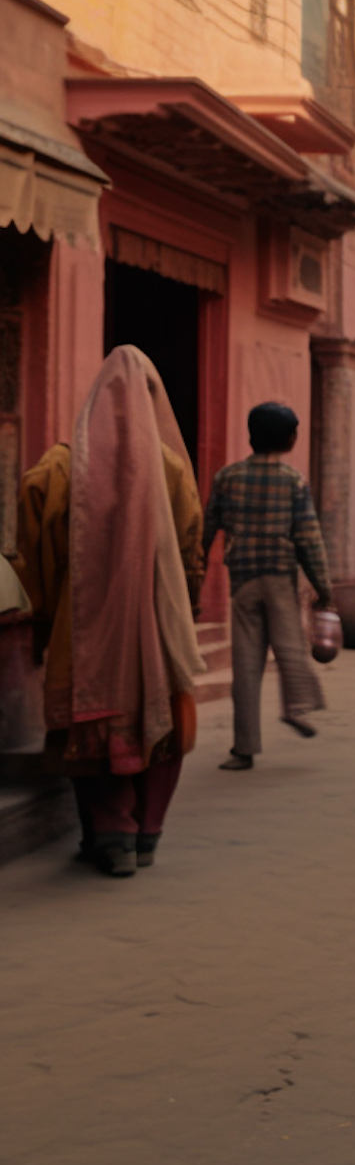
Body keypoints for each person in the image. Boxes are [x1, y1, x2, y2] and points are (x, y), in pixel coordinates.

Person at [12, 347, 205, 877]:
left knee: (88, 727)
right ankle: (146, 833)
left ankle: (111, 831)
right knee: (163, 726)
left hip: (84, 636)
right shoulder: (170, 468)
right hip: (158, 632)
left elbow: (36, 555)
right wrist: (185, 607)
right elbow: (192, 548)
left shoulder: (56, 467)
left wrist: (46, 623)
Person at [204, 403, 332, 772]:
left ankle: (243, 748)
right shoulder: (293, 482)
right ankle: (296, 708)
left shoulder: (227, 477)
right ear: (290, 439)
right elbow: (308, 539)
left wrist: (193, 578)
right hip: (279, 576)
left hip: (242, 578)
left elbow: (208, 528)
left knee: (246, 663)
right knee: (291, 650)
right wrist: (324, 588)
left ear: (250, 436)